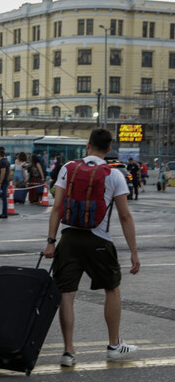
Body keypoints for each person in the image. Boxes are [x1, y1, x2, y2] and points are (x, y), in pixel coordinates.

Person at [44, 128, 141, 367]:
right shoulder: (114, 174)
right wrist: (134, 252)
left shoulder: (68, 168)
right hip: (99, 240)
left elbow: (56, 208)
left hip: (68, 240)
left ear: (87, 146)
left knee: (67, 294)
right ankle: (114, 345)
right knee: (112, 289)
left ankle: (68, 352)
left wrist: (50, 242)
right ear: (109, 149)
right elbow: (125, 217)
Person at [0, 147, 10, 219]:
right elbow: (9, 171)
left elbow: (3, 172)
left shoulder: (3, 162)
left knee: (4, 198)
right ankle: (4, 213)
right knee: (3, 198)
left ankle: (4, 213)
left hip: (3, 182)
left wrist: (0, 182)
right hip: (6, 181)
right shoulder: (6, 161)